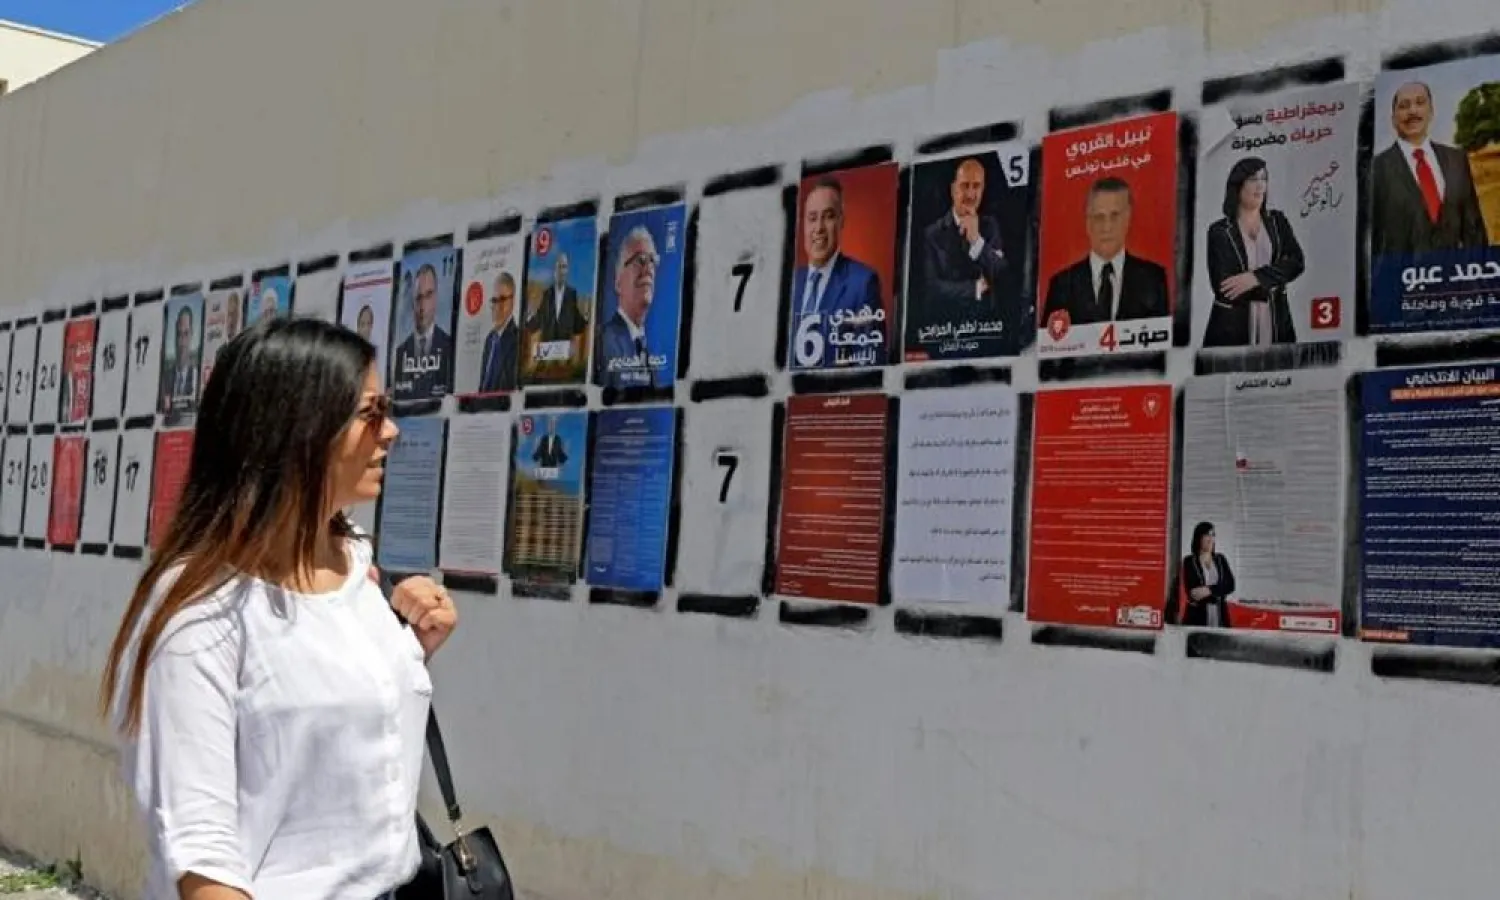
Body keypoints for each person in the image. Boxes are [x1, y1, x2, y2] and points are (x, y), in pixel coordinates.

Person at [99, 317, 460, 900]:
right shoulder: (204, 611)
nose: (390, 431)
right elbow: (205, 859)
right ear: (298, 431)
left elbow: (326, 744)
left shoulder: (357, 568)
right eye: (370, 413)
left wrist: (407, 654)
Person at [1371, 80, 1488, 258]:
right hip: (1399, 281)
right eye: (1404, 106)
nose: (1412, 111)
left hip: (1454, 279)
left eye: (1420, 102)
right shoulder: (1376, 169)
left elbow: (1474, 230)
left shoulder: (1456, 160)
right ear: (1393, 118)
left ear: (1431, 111)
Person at [1202, 157, 1305, 346]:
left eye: (1264, 179)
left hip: (1276, 323)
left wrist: (1255, 278)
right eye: (1253, 179)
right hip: (1231, 326)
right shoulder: (1219, 231)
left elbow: (1296, 262)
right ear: (1238, 184)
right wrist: (1274, 281)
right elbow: (1224, 288)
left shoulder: (1277, 221)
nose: (1260, 186)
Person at [1042, 177, 1169, 326]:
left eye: (1114, 216)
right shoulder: (1061, 285)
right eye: (1099, 217)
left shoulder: (1153, 279)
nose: (1106, 227)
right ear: (1088, 223)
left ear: (1127, 219)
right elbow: (1051, 342)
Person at [788, 176, 885, 367]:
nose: (819, 228)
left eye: (828, 216)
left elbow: (869, 367)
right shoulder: (789, 286)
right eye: (812, 218)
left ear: (841, 221)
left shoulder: (863, 283)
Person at [919, 158, 1011, 325]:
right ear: (954, 189)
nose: (970, 194)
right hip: (944, 329)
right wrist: (975, 288)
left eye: (976, 186)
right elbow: (932, 289)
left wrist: (976, 241)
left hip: (986, 328)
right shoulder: (931, 234)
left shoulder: (990, 227)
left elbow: (1001, 275)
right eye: (965, 185)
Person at [596, 226, 661, 389]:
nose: (648, 270)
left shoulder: (649, 356)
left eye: (652, 261)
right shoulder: (604, 343)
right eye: (640, 260)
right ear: (618, 282)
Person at [392, 263, 453, 399]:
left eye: (428, 295)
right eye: (418, 298)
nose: (423, 306)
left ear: (436, 297)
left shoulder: (450, 346)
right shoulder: (400, 354)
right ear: (412, 303)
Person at [1178, 521, 1236, 627]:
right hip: (1197, 616)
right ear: (1199, 538)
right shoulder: (1189, 561)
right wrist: (1219, 591)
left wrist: (1209, 590)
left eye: (1213, 535)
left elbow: (1230, 585)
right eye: (1207, 535)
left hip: (1220, 614)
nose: (1210, 539)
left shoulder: (1220, 559)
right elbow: (1193, 593)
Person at [477, 271, 519, 393]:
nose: (498, 307)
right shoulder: (489, 340)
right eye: (494, 301)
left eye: (503, 299)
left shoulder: (519, 341)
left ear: (513, 301)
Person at [159, 304, 201, 415]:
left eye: (186, 334)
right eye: (179, 334)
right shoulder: (164, 379)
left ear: (192, 334)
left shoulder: (198, 376)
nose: (182, 342)